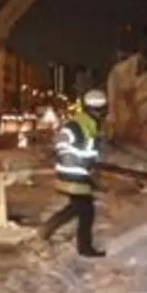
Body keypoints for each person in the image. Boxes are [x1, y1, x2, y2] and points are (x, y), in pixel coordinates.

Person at [39, 89, 108, 258]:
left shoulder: (87, 123)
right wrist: (80, 162)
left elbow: (86, 148)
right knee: (86, 210)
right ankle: (85, 248)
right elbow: (63, 144)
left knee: (78, 207)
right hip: (74, 173)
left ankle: (46, 229)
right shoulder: (81, 124)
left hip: (77, 171)